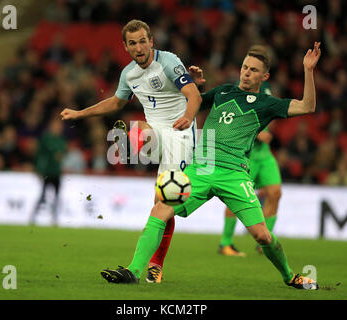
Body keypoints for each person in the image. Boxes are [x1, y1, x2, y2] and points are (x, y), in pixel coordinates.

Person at [100, 42, 322, 290]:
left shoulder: (265, 104)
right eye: (245, 67)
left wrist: (308, 70)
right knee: (160, 210)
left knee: (262, 235)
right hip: (201, 168)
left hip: (234, 174)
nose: (246, 72)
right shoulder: (222, 92)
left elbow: (307, 106)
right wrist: (191, 86)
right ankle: (133, 271)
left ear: (265, 76)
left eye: (253, 70)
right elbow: (185, 105)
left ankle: (290, 276)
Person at [60, 20, 202, 281]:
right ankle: (140, 268)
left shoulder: (169, 61)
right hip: (156, 135)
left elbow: (194, 95)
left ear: (151, 41)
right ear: (126, 47)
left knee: (161, 205)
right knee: (137, 130)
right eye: (132, 43)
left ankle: (153, 266)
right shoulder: (129, 74)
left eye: (142, 41)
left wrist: (188, 118)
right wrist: (80, 114)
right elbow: (116, 102)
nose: (139, 47)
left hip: (180, 136)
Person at [219, 80, 282, 257]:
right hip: (246, 154)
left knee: (275, 193)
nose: (250, 72)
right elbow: (230, 120)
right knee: (235, 197)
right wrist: (255, 131)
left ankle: (264, 244)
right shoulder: (239, 90)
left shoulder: (267, 88)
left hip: (265, 155)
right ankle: (225, 243)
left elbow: (273, 110)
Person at [29, 116, 67, 226]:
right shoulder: (46, 139)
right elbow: (40, 155)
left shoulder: (61, 140)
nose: (58, 128)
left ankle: (54, 219)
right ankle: (34, 217)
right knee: (42, 196)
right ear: (51, 127)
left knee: (57, 196)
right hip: (47, 172)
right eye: (56, 126)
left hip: (57, 172)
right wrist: (38, 169)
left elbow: (62, 154)